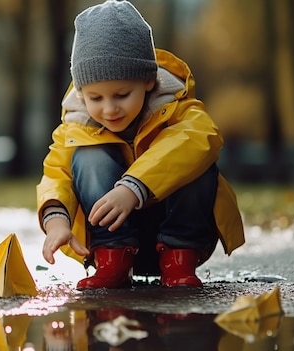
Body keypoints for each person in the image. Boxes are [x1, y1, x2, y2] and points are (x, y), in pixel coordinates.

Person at [37, 0, 245, 289]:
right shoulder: (76, 127)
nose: (109, 109)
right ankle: (112, 263)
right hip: (110, 241)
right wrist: (56, 220)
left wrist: (134, 187)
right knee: (88, 156)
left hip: (180, 238)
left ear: (149, 81)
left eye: (122, 94)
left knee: (194, 159)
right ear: (82, 93)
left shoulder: (179, 111)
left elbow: (201, 137)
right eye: (95, 98)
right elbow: (56, 174)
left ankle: (179, 261)